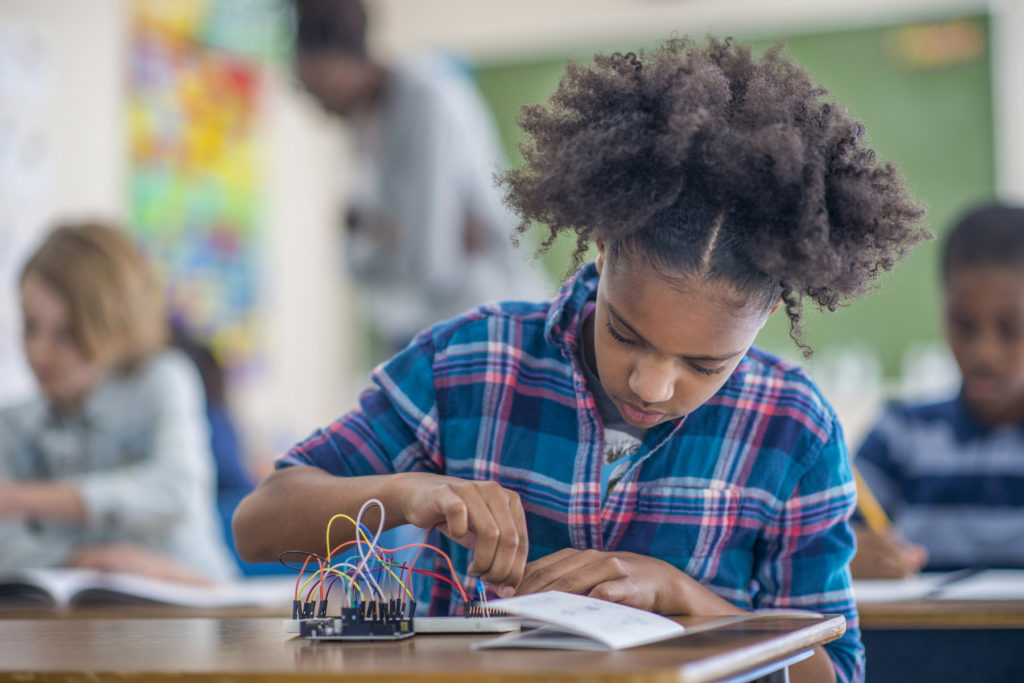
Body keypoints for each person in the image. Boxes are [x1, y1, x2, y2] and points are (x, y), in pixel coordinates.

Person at [234, 38, 928, 682]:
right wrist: (409, 491)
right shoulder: (471, 361)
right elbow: (259, 521)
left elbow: (834, 671)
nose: (652, 385)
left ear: (767, 315)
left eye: (703, 364)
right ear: (602, 245)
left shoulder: (794, 427)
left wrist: (683, 596)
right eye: (626, 333)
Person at [291, 0, 547, 355]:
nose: (316, 105)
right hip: (425, 330)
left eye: (314, 87)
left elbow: (432, 267)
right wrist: (390, 237)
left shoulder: (427, 98)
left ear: (339, 67)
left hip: (492, 328)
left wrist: (382, 235)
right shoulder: (364, 121)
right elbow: (354, 255)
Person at [0, 222, 238, 583]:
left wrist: (23, 499)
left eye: (66, 334)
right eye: (31, 326)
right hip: (74, 623)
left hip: (193, 604)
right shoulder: (13, 424)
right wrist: (89, 561)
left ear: (114, 325)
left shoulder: (164, 377)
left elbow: (174, 489)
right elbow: (9, 549)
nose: (40, 352)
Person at [852, 202, 1024, 578]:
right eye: (963, 325)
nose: (984, 354)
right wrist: (850, 553)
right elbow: (828, 536)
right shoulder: (900, 435)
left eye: (1011, 328)